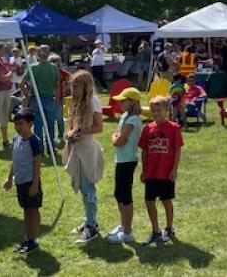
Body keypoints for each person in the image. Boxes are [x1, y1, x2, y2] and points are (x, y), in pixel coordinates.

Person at [64, 70, 104, 242]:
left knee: (88, 188)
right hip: (76, 149)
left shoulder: (93, 102)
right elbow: (69, 126)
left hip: (87, 150)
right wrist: (70, 135)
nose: (74, 89)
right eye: (73, 85)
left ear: (86, 86)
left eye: (77, 86)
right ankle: (88, 220)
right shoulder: (75, 102)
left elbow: (99, 127)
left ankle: (92, 225)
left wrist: (82, 131)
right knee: (82, 186)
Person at [139, 95, 183, 245]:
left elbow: (177, 150)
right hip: (151, 172)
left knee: (166, 201)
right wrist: (143, 170)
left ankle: (169, 228)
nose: (155, 113)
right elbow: (144, 151)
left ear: (166, 110)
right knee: (149, 201)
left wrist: (174, 170)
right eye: (153, 111)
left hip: (165, 173)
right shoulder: (147, 129)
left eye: (159, 110)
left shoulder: (174, 128)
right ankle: (155, 230)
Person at [3, 109, 43, 254]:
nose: (18, 127)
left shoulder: (34, 141)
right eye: (16, 124)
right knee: (26, 210)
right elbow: (15, 160)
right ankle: (27, 237)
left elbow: (37, 164)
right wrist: (9, 178)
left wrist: (34, 184)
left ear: (30, 124)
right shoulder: (16, 139)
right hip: (20, 182)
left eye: (21, 124)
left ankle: (33, 239)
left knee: (32, 210)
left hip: (30, 182)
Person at [108, 87, 144, 244]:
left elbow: (119, 140)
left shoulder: (133, 120)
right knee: (119, 194)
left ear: (132, 102)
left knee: (125, 196)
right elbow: (118, 135)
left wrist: (114, 137)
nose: (120, 103)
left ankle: (128, 232)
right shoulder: (124, 116)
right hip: (121, 160)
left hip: (128, 160)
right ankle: (123, 225)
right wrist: (116, 136)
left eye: (124, 100)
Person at [23, 45, 60, 152]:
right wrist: (57, 97)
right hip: (49, 99)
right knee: (50, 125)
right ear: (48, 54)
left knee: (38, 125)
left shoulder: (33, 67)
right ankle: (51, 148)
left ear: (37, 55)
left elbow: (21, 83)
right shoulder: (54, 67)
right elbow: (58, 84)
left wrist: (27, 95)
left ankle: (39, 149)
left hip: (36, 99)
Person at [50, 54, 71, 147]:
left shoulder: (64, 74)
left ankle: (61, 136)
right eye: (55, 62)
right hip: (49, 99)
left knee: (59, 118)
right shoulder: (48, 73)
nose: (57, 64)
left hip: (59, 99)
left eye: (58, 62)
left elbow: (70, 81)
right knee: (49, 119)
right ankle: (50, 138)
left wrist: (64, 88)